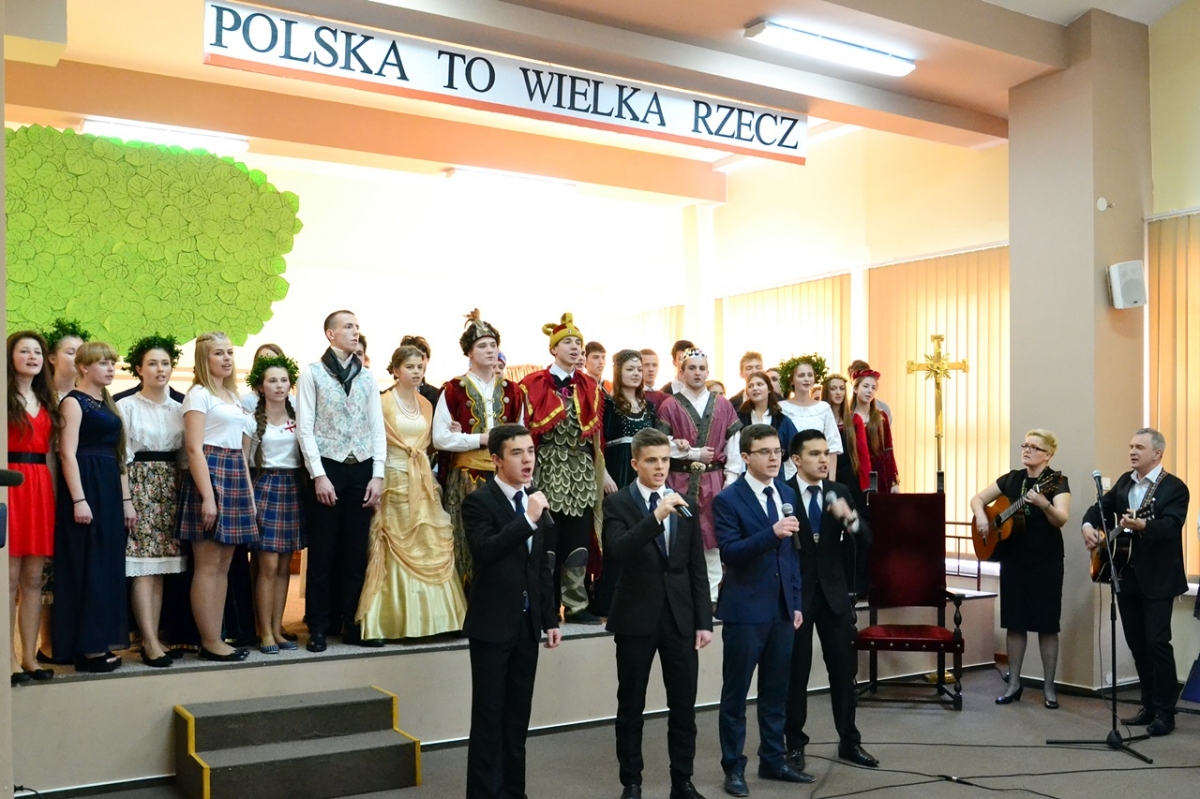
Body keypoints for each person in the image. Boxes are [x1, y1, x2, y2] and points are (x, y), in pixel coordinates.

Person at [603, 428, 711, 799]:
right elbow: (618, 550)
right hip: (635, 616)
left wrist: (704, 622)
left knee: (683, 706)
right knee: (631, 705)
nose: (660, 467)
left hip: (680, 618)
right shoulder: (618, 503)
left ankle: (683, 781)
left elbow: (696, 567)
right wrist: (656, 516)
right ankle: (631, 783)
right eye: (652, 460)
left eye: (665, 460)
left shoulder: (684, 503)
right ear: (635, 463)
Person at [462, 424, 561, 799]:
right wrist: (527, 521)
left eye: (530, 451)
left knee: (518, 719)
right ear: (496, 460)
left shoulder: (533, 499)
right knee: (489, 719)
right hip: (492, 625)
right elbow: (486, 551)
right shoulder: (479, 502)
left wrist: (549, 618)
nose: (527, 460)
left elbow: (541, 568)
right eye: (517, 453)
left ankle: (514, 793)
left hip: (527, 625)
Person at [713, 423, 809, 794]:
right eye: (765, 452)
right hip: (745, 611)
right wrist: (771, 533)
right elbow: (730, 553)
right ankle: (733, 768)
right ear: (745, 456)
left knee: (776, 692)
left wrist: (796, 602)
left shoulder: (786, 493)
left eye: (777, 452)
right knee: (736, 695)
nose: (774, 458)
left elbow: (792, 556)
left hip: (782, 610)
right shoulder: (728, 499)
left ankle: (773, 760)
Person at [1082, 428, 1190, 736]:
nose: (1132, 451)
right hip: (1126, 575)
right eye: (1131, 446)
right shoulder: (1125, 482)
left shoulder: (1174, 488)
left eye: (1139, 447)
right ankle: (1148, 705)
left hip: (1159, 579)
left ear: (1157, 453)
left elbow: (1171, 527)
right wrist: (1088, 525)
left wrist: (1143, 525)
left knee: (1157, 643)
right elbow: (1101, 508)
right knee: (1137, 645)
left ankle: (1166, 712)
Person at [783, 429, 879, 770]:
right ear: (797, 460)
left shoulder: (839, 491)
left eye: (826, 453)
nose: (823, 459)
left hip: (835, 595)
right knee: (796, 673)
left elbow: (866, 540)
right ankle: (794, 745)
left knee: (843, 672)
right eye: (814, 454)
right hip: (797, 596)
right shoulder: (783, 492)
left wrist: (849, 518)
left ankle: (849, 741)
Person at [357, 346, 467, 640]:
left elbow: (432, 442)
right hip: (393, 475)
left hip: (422, 478)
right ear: (395, 370)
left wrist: (452, 430)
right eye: (409, 367)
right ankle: (390, 621)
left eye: (420, 366)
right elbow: (374, 442)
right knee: (393, 539)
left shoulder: (427, 404)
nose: (417, 371)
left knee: (429, 538)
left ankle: (439, 620)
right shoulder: (382, 402)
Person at [296, 310, 386, 651]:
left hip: (361, 467)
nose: (355, 331)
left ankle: (352, 622)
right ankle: (318, 625)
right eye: (348, 326)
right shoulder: (312, 374)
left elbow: (376, 428)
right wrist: (318, 475)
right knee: (323, 552)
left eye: (357, 326)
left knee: (355, 550)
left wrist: (377, 474)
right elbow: (305, 429)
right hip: (328, 467)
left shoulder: (367, 377)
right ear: (330, 334)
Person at [970, 429, 1070, 708]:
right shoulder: (1012, 478)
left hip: (1046, 561)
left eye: (1034, 447)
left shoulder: (1056, 481)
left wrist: (1045, 505)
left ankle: (1049, 688)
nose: (1026, 450)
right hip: (1013, 559)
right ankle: (1013, 683)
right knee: (1015, 623)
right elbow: (978, 499)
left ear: (1048, 455)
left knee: (1047, 625)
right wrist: (981, 517)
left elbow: (1061, 518)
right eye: (1025, 445)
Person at [54, 341, 135, 672]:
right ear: (84, 368)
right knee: (88, 566)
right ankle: (87, 649)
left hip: (108, 486)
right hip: (86, 484)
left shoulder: (108, 403)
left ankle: (97, 642)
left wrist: (126, 501)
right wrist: (79, 499)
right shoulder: (73, 402)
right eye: (103, 363)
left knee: (105, 566)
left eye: (112, 363)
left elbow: (119, 456)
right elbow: (67, 453)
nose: (111, 368)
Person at [177, 332, 258, 662]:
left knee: (223, 566)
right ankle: (209, 640)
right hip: (210, 474)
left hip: (234, 471)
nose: (226, 358)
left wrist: (249, 494)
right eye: (218, 353)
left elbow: (241, 450)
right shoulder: (199, 395)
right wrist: (208, 497)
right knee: (208, 565)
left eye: (229, 353)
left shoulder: (232, 396)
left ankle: (217, 636)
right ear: (204, 359)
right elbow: (194, 448)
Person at [520, 313, 605, 625]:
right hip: (547, 466)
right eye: (567, 342)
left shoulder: (590, 386)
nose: (574, 347)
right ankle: (545, 605)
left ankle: (576, 604)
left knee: (578, 540)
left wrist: (603, 472)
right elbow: (523, 431)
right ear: (553, 348)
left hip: (581, 470)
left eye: (577, 342)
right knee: (547, 540)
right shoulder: (532, 385)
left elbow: (597, 439)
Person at [433, 310, 523, 589]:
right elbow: (440, 438)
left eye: (493, 345)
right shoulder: (453, 389)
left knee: (506, 537)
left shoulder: (513, 390)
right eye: (482, 346)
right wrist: (480, 439)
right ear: (469, 353)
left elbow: (521, 436)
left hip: (504, 478)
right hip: (466, 476)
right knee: (466, 540)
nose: (489, 350)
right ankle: (468, 602)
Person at [117, 335, 187, 669]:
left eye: (165, 363)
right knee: (143, 568)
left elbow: (185, 455)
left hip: (170, 487)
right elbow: (121, 458)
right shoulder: (126, 406)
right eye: (152, 363)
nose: (160, 369)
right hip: (140, 486)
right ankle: (146, 639)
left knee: (160, 568)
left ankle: (155, 635)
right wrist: (127, 500)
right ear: (139, 369)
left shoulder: (180, 407)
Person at [656, 348, 740, 602]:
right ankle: (681, 597)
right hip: (679, 480)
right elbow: (661, 444)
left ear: (708, 372)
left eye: (702, 368)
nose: (697, 373)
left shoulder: (723, 404)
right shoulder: (669, 405)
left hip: (714, 481)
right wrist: (691, 452)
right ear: (681, 372)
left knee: (712, 540)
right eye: (691, 368)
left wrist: (730, 481)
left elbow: (734, 445)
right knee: (679, 537)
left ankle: (711, 598)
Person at [243, 355, 306, 654]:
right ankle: (264, 631)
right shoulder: (252, 420)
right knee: (266, 565)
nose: (279, 386)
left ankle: (277, 627)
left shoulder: (299, 417)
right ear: (260, 386)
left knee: (283, 565)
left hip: (292, 486)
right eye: (272, 381)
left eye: (283, 380)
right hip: (264, 486)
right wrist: (248, 500)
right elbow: (244, 462)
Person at [7, 332, 59, 685]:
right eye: (23, 351)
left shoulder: (46, 399)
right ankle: (7, 658)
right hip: (9, 484)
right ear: (10, 358)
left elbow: (51, 455)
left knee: (33, 579)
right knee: (8, 579)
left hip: (39, 486)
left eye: (37, 351)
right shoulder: (3, 397)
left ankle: (29, 657)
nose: (32, 356)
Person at [594, 349, 659, 616]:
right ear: (618, 372)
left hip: (641, 475)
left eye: (639, 369)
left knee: (642, 531)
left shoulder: (649, 407)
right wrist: (605, 475)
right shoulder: (608, 404)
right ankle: (609, 599)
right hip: (617, 473)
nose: (635, 374)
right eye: (630, 369)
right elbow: (599, 443)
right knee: (618, 534)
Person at [727, 370, 799, 481]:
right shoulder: (739, 420)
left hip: (776, 480)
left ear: (769, 389)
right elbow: (733, 453)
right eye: (751, 386)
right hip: (745, 480)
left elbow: (794, 453)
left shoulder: (782, 421)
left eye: (759, 384)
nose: (755, 388)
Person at [779, 357, 841, 480]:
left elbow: (833, 447)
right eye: (801, 375)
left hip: (818, 474)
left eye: (810, 375)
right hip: (789, 474)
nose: (806, 379)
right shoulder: (781, 408)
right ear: (791, 380)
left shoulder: (823, 408)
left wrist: (831, 482)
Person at [822, 374, 870, 505]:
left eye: (842, 388)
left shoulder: (854, 420)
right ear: (826, 391)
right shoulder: (820, 418)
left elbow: (863, 454)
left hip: (849, 475)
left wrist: (866, 484)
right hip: (825, 472)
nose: (838, 392)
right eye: (833, 389)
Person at [851, 369, 899, 493]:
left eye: (873, 388)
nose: (870, 391)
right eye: (866, 386)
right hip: (856, 471)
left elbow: (888, 449)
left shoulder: (881, 417)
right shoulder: (848, 418)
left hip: (879, 472)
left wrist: (894, 480)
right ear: (855, 388)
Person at [239, 343, 285, 413]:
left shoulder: (294, 402)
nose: (269, 367)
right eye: (263, 362)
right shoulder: (246, 401)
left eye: (274, 362)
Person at [400, 334, 441, 406]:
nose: (416, 361)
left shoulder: (438, 396)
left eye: (421, 357)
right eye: (410, 357)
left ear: (428, 359)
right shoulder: (386, 397)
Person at [847, 360, 893, 424]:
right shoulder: (845, 410)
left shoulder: (883, 409)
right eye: (865, 386)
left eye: (873, 387)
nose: (869, 390)